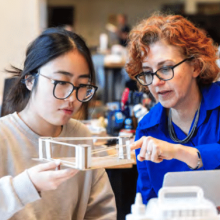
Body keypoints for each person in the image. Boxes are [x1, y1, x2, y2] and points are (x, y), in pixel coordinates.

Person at [0, 27, 116, 219]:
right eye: (61, 82)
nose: (72, 98)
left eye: (81, 86)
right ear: (29, 80)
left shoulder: (81, 136)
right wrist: (27, 185)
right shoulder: (4, 137)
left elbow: (101, 212)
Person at [125, 13, 220, 204]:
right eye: (147, 72)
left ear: (195, 66)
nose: (156, 82)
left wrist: (181, 152)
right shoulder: (147, 129)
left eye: (166, 68)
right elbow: (148, 202)